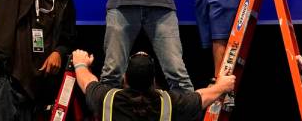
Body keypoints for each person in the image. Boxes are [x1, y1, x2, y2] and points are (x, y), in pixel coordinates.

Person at [71, 49, 236, 121]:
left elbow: (87, 82)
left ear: (125, 79)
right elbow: (200, 98)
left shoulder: (106, 98)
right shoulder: (169, 103)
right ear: (154, 81)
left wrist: (80, 63)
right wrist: (221, 86)